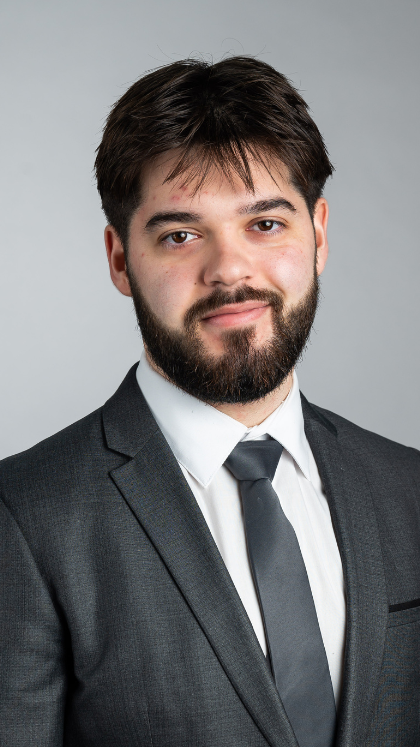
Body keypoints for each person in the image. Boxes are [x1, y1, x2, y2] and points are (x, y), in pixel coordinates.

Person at [0, 56, 419, 747]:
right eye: (181, 235)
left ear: (318, 235)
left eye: (265, 224)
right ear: (120, 259)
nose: (229, 269)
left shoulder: (408, 489)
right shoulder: (23, 518)